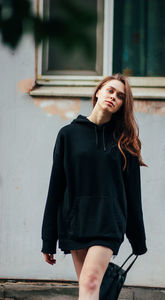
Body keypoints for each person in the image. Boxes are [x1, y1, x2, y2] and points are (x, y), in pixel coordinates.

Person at [41, 73, 148, 300]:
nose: (114, 97)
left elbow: (133, 195)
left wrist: (137, 239)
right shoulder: (68, 135)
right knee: (89, 291)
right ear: (98, 91)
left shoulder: (125, 142)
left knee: (89, 283)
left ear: (122, 105)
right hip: (75, 222)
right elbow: (56, 188)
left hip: (108, 223)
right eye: (110, 90)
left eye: (120, 96)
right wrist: (48, 238)